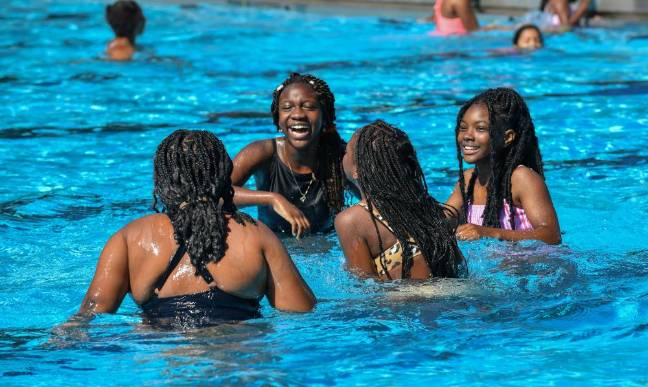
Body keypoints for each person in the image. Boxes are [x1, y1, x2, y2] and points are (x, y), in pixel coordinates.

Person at [70, 130, 315, 328]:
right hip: (240, 358)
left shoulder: (129, 238)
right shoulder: (255, 234)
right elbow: (302, 312)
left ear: (163, 179)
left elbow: (90, 315)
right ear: (222, 176)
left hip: (160, 362)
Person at [335, 120, 465, 280]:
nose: (343, 156)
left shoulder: (351, 220)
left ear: (357, 170)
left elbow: (364, 287)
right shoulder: (428, 208)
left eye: (346, 152)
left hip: (406, 302)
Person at [231, 73, 349, 238]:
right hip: (273, 245)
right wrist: (271, 199)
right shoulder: (261, 152)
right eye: (287, 107)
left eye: (308, 106)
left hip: (326, 247)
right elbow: (214, 196)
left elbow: (374, 200)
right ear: (278, 119)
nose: (298, 114)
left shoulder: (340, 156)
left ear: (325, 117)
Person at [446, 88, 562, 245]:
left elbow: (552, 236)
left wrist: (487, 232)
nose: (467, 136)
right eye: (463, 128)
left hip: (534, 266)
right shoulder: (467, 180)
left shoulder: (521, 178)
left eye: (480, 128)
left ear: (507, 137)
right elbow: (443, 217)